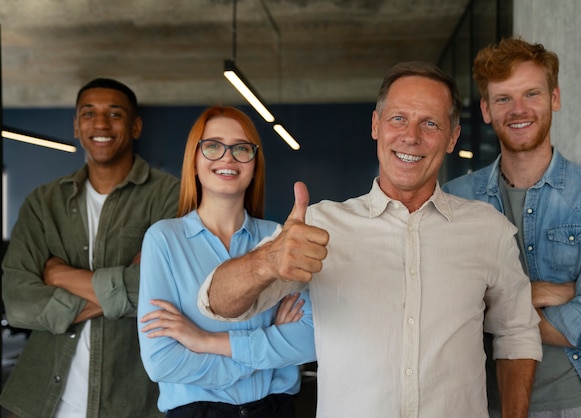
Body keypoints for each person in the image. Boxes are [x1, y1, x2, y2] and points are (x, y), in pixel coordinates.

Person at [197, 62, 543, 417]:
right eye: (398, 119)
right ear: (376, 125)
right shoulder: (318, 225)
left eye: (430, 123)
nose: (411, 136)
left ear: (453, 137)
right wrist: (266, 261)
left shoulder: (488, 229)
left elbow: (516, 334)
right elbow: (217, 303)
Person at [443, 37, 581, 418]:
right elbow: (443, 311)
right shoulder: (453, 200)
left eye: (531, 94)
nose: (518, 110)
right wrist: (540, 292)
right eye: (504, 98)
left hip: (575, 406)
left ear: (554, 98)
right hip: (476, 405)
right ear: (486, 109)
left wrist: (487, 303)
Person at [0, 78, 180, 418]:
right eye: (89, 114)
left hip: (136, 400)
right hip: (44, 400)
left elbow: (167, 290)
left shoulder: (171, 197)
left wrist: (60, 275)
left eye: (115, 114)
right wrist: (126, 285)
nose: (100, 124)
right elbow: (19, 301)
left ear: (136, 126)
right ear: (76, 126)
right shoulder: (43, 203)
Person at [137, 105, 316, 418]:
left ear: (254, 164)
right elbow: (161, 361)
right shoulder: (163, 239)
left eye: (241, 148)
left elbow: (308, 341)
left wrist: (205, 340)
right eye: (212, 146)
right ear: (194, 160)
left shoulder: (277, 238)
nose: (228, 157)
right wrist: (265, 355)